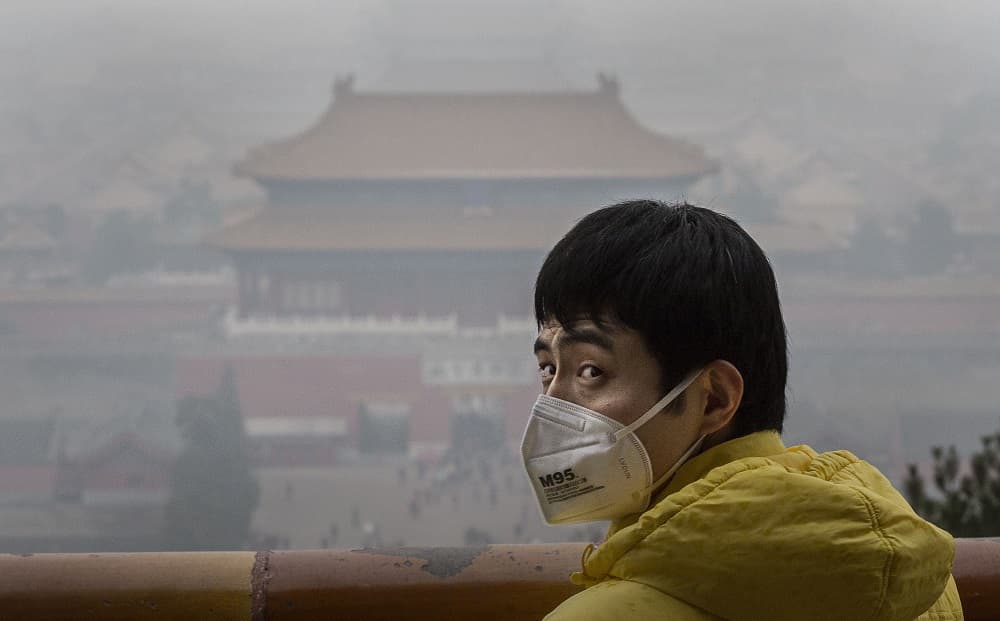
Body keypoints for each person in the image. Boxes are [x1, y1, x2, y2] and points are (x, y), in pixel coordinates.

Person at [521, 201, 962, 620]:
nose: (552, 402)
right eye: (547, 368)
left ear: (713, 399)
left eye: (592, 371)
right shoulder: (922, 580)